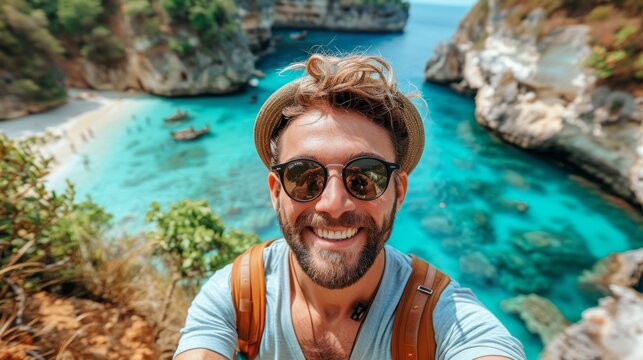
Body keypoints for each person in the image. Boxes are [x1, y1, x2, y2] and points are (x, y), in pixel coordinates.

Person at [174, 54, 526, 360]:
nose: (333, 203)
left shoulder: (445, 318)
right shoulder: (236, 296)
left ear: (399, 192)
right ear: (275, 191)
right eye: (304, 177)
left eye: (364, 177)